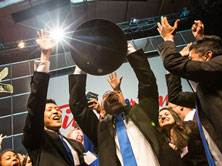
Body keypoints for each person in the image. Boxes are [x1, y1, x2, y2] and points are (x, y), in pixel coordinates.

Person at [68, 44, 183, 166]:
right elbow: (78, 106)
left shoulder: (144, 114)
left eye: (114, 94)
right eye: (107, 97)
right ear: (102, 106)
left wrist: (128, 49)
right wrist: (81, 66)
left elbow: (147, 83)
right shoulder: (101, 130)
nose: (111, 96)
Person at [157, 16, 222, 165]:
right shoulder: (210, 89)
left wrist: (168, 38)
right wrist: (201, 39)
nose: (189, 63)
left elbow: (172, 63)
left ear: (208, 57)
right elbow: (175, 96)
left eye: (191, 60)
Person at [22, 28, 87, 166]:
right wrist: (44, 58)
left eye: (57, 109)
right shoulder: (36, 138)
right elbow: (35, 105)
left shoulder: (76, 145)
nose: (56, 111)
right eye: (50, 110)